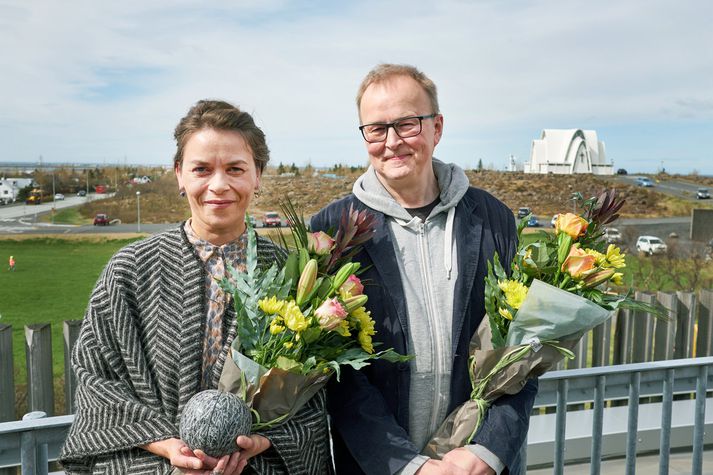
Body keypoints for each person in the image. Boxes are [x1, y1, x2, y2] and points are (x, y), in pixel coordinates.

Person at [60, 100, 333, 475]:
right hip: (149, 465)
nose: (218, 185)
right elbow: (95, 379)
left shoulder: (294, 274)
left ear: (257, 175)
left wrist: (264, 439)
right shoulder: (130, 271)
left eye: (235, 169)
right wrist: (169, 448)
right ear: (179, 174)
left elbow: (314, 397)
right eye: (201, 169)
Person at [310, 64, 538, 475]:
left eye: (407, 124)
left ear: (437, 127)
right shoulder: (333, 230)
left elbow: (524, 349)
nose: (392, 142)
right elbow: (337, 375)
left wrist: (487, 451)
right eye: (376, 129)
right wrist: (406, 465)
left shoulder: (492, 219)